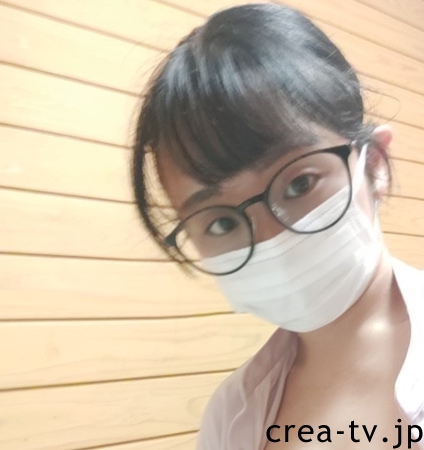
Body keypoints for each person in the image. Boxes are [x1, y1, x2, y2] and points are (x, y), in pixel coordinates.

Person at [131, 3, 424, 449]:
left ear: (375, 164)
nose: (273, 238)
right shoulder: (230, 417)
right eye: (222, 222)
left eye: (299, 184)